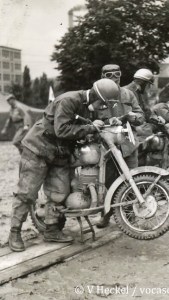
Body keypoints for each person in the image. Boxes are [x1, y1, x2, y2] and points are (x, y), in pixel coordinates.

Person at [8, 78, 119, 252]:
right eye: (102, 105)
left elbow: (80, 130)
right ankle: (14, 233)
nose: (102, 109)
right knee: (27, 193)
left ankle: (52, 229)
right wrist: (90, 128)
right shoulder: (69, 100)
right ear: (97, 98)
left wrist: (103, 126)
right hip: (38, 147)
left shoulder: (87, 107)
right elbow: (62, 130)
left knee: (59, 192)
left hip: (59, 152)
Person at [95, 64, 145, 228]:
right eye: (109, 75)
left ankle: (130, 215)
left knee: (132, 179)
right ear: (102, 76)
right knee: (107, 182)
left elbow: (140, 116)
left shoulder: (128, 94)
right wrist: (106, 122)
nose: (114, 77)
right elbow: (91, 118)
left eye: (117, 74)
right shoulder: (97, 95)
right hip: (106, 146)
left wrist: (134, 117)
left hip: (128, 144)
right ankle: (106, 214)